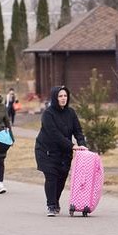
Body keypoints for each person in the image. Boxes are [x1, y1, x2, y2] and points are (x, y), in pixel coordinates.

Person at [35, 85, 86, 216]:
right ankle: (51, 205)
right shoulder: (48, 114)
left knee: (61, 178)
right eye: (60, 96)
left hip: (63, 152)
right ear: (55, 98)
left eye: (65, 96)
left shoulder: (71, 113)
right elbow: (54, 134)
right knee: (51, 176)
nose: (63, 98)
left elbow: (78, 131)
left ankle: (55, 201)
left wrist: (82, 144)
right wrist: (72, 146)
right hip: (46, 151)